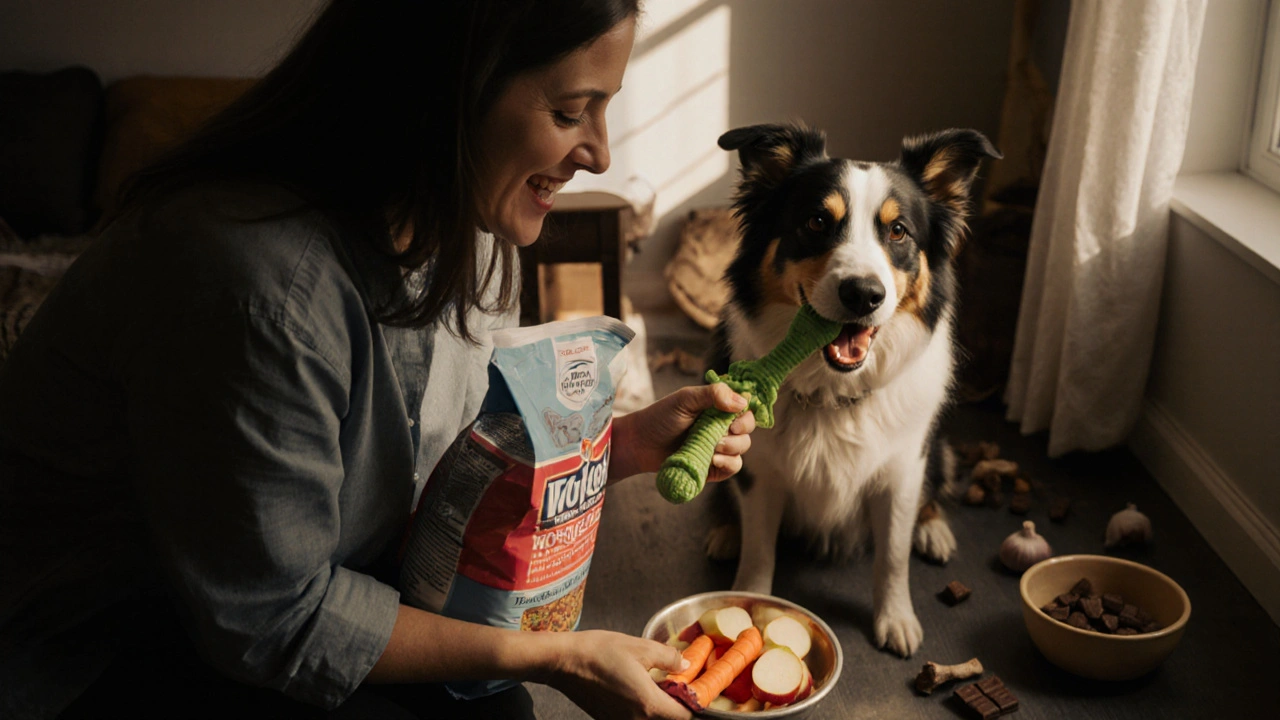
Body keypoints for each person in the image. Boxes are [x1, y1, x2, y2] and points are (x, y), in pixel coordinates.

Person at [0, 2, 756, 718]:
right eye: (568, 112)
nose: (598, 153)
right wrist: (558, 657)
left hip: (318, 583)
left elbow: (456, 465)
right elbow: (274, 623)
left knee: (494, 701)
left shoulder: (478, 223)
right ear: (451, 91)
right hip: (108, 644)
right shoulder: (257, 290)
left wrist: (620, 446)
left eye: (602, 106)